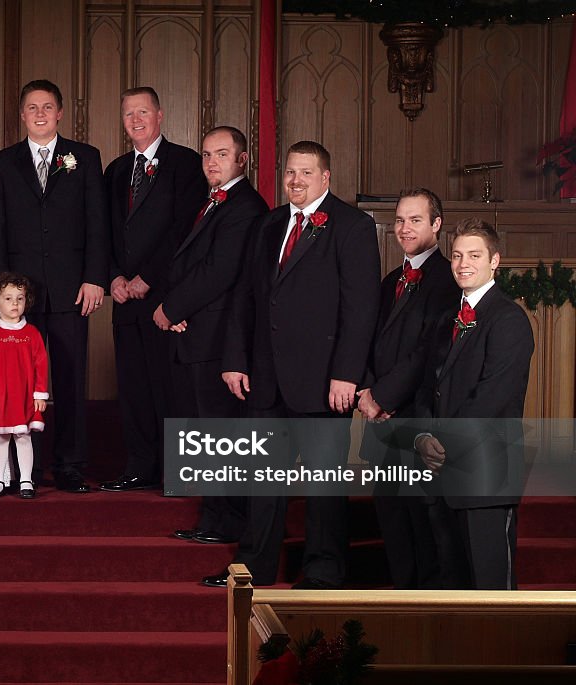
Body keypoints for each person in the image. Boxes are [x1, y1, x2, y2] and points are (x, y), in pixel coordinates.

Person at [206, 141, 381, 589]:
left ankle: (323, 571)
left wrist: (347, 373)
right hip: (265, 379)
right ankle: (252, 568)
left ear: (326, 177)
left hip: (324, 380)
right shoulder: (269, 224)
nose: (296, 181)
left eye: (306, 173)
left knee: (323, 488)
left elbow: (361, 308)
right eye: (290, 172)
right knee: (262, 482)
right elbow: (246, 296)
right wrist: (235, 359)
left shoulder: (352, 225)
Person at [0, 79, 110, 493]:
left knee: (71, 377)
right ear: (22, 115)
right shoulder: (3, 162)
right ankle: (27, 470)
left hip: (72, 288)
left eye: (48, 107)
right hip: (19, 295)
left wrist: (95, 278)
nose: (40, 113)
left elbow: (97, 223)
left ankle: (71, 465)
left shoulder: (85, 158)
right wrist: (2, 291)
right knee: (20, 381)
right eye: (32, 107)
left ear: (60, 113)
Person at [157, 126, 269, 548]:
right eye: (206, 155)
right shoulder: (210, 202)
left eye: (221, 154)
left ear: (243, 159)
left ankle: (230, 522)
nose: (211, 163)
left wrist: (171, 309)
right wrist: (179, 309)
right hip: (196, 332)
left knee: (223, 436)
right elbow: (184, 261)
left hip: (220, 340)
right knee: (205, 434)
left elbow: (221, 272)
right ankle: (212, 517)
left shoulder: (246, 207)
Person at [414, 219, 533, 590]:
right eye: (457, 255)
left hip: (485, 475)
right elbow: (426, 387)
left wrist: (444, 441)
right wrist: (421, 437)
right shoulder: (445, 318)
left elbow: (492, 397)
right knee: (450, 586)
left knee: (490, 586)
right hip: (441, 474)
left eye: (475, 255)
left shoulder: (509, 319)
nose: (463, 263)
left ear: (494, 261)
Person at [99, 86, 206, 493]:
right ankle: (139, 466)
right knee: (133, 387)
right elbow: (105, 231)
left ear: (160, 115)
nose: (136, 120)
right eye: (129, 114)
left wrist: (149, 276)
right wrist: (113, 278)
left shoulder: (185, 163)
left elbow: (184, 230)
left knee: (170, 386)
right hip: (125, 297)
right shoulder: (116, 169)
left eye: (143, 112)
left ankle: (176, 471)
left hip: (164, 297)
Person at [356, 188, 459, 589]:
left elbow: (426, 354)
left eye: (415, 219)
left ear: (436, 224)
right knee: (393, 531)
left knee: (424, 533)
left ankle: (426, 621)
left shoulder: (448, 282)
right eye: (400, 220)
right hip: (381, 423)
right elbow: (366, 339)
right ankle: (399, 606)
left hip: (415, 420)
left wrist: (383, 397)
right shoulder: (389, 281)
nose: (404, 228)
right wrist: (367, 392)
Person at [0, 272, 49, 500]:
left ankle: (26, 480)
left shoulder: (32, 334)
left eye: (20, 298)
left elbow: (41, 366)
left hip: (24, 396)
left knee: (23, 436)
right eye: (8, 298)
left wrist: (40, 394)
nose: (15, 303)